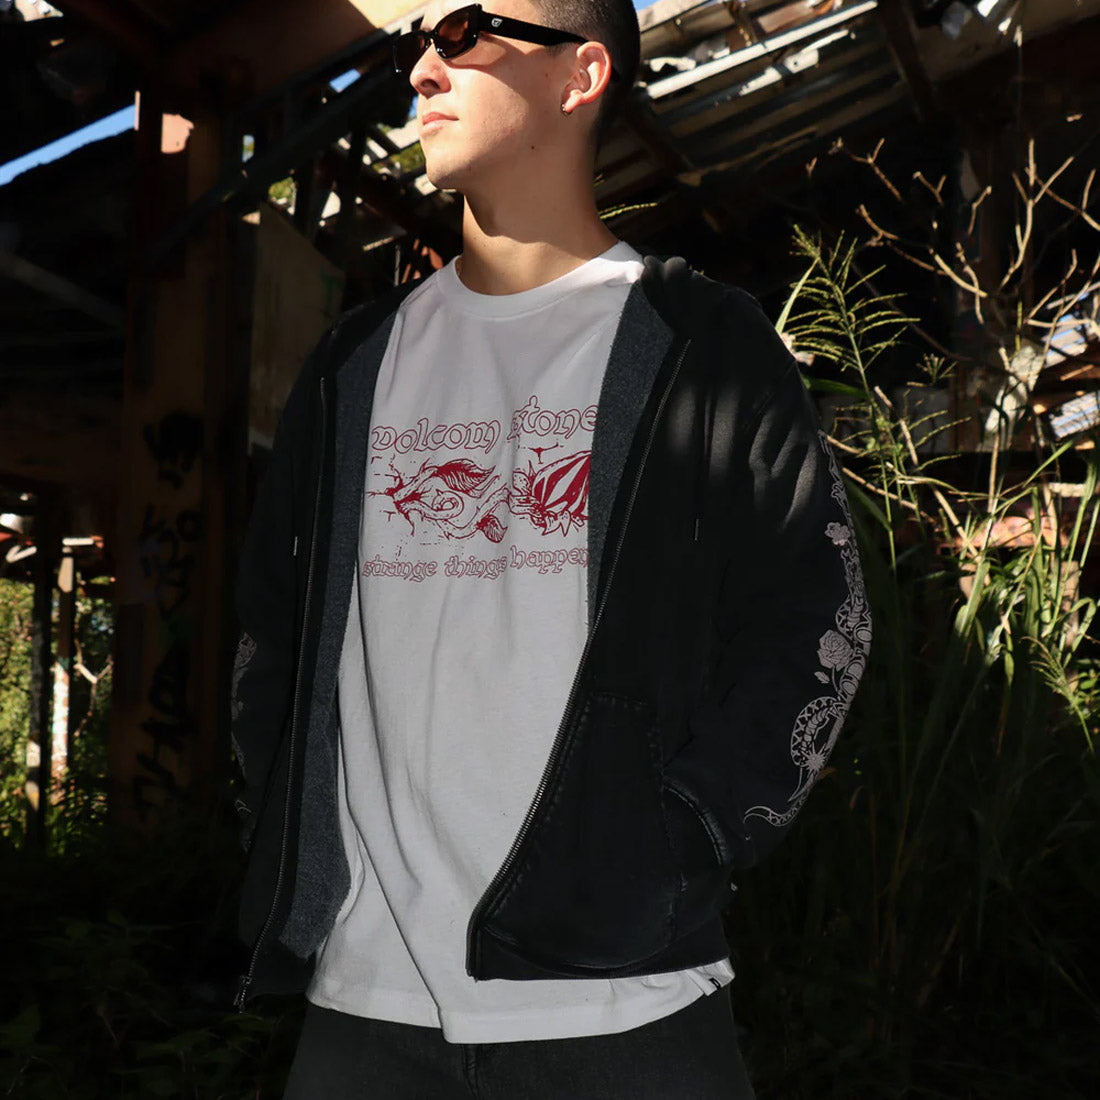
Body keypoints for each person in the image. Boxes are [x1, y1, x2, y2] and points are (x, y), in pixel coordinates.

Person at [229, 0, 871, 1095]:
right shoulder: (353, 365)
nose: (423, 69)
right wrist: (282, 827)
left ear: (581, 75)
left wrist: (682, 838)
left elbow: (818, 618)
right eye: (416, 40)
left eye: (465, 30)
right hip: (362, 1010)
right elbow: (268, 631)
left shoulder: (700, 345)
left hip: (625, 1007)